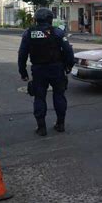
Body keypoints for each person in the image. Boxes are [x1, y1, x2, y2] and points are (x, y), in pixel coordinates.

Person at [18, 8, 75, 136]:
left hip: (38, 70)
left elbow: (22, 54)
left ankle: (41, 128)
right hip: (57, 69)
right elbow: (68, 51)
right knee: (59, 96)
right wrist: (68, 66)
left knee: (39, 97)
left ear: (36, 19)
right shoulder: (58, 33)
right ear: (50, 19)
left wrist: (23, 72)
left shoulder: (28, 33)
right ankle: (60, 124)